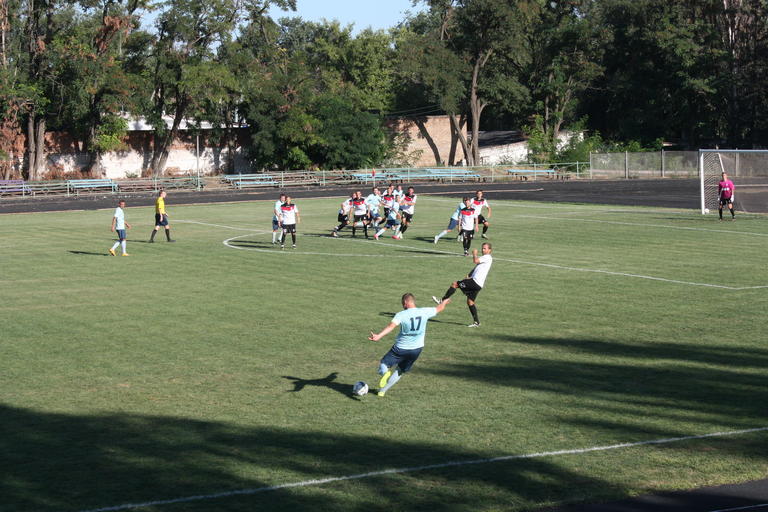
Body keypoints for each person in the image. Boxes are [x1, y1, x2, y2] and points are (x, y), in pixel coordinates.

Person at [368, 293, 451, 397]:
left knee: (383, 364)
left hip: (400, 348)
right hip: (416, 350)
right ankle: (382, 391)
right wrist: (444, 302)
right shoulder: (424, 311)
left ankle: (385, 374)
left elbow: (391, 326)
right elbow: (439, 308)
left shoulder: (401, 314)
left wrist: (379, 336)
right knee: (400, 371)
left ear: (405, 303)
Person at [433, 243, 493, 327]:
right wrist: (469, 275)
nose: (483, 250)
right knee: (470, 302)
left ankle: (442, 300)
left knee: (455, 284)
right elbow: (477, 267)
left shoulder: (487, 257)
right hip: (478, 284)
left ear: (489, 250)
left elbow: (475, 261)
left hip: (475, 282)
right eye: (482, 248)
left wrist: (474, 253)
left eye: (485, 248)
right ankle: (476, 322)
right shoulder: (484, 258)